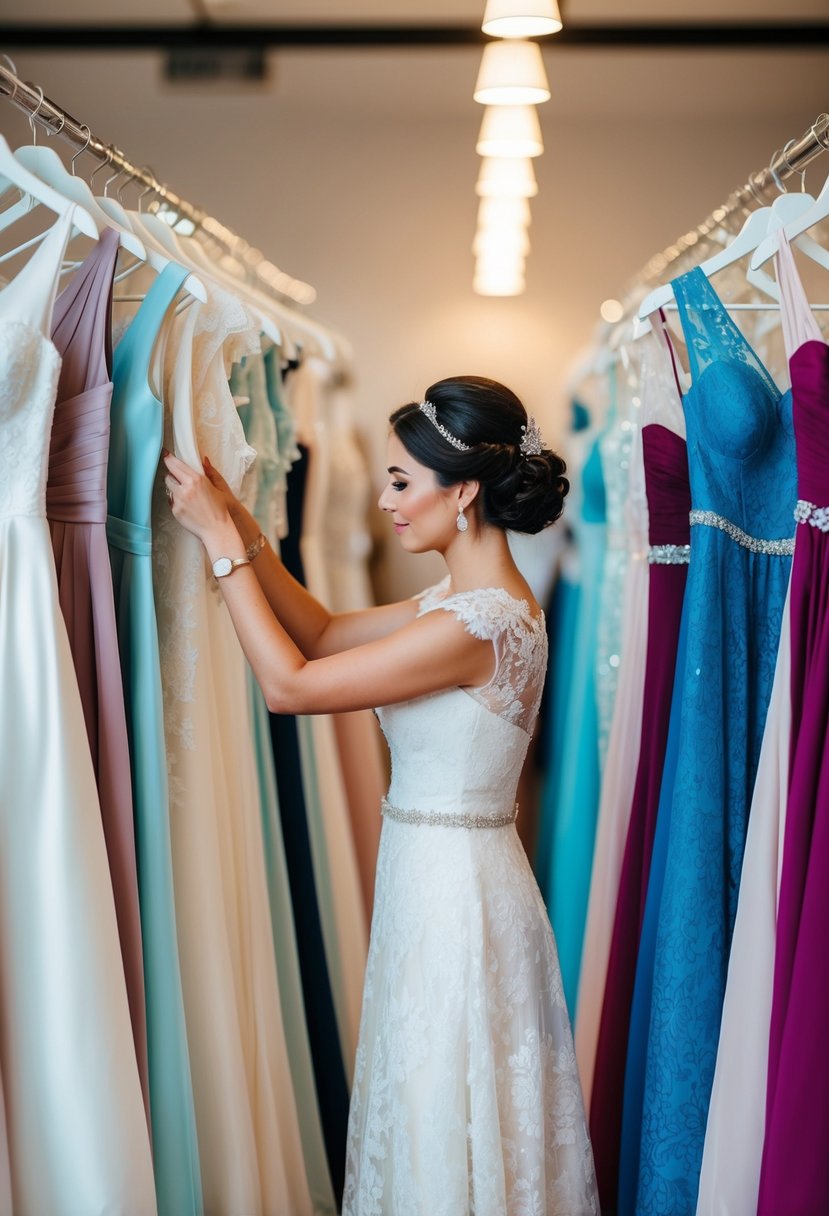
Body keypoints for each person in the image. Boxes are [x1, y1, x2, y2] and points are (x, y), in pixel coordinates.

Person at [162, 374, 599, 1215]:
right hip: (437, 878)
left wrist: (220, 548)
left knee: (444, 1100)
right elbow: (322, 630)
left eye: (402, 482)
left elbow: (290, 685)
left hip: (457, 899)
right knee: (432, 1102)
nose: (385, 500)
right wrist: (245, 525)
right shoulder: (461, 604)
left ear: (462, 490)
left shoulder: (479, 626)